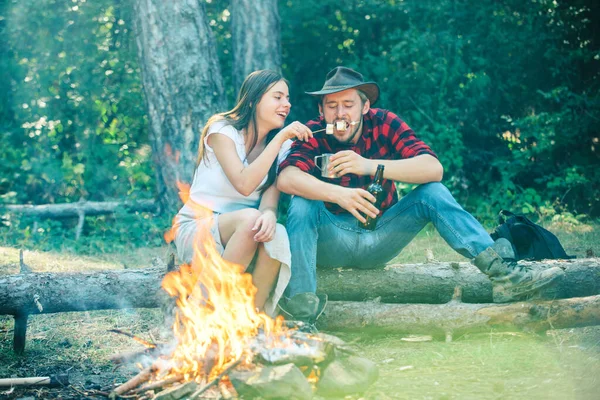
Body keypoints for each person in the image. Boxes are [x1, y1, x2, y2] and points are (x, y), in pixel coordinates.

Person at [276, 66, 564, 323]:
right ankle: (302, 315)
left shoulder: (385, 122)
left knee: (433, 192)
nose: (340, 114)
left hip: (381, 236)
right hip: (332, 239)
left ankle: (504, 276)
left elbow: (433, 168)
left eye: (348, 104)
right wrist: (338, 194)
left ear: (364, 107)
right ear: (322, 111)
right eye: (332, 106)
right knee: (302, 203)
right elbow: (287, 178)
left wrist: (370, 166)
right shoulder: (312, 132)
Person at [171, 70, 313, 317]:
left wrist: (269, 215)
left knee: (276, 233)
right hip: (198, 228)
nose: (287, 104)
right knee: (250, 220)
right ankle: (205, 311)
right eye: (277, 97)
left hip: (245, 232)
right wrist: (280, 138)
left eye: (287, 98)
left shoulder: (280, 148)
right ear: (253, 100)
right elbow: (244, 183)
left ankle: (250, 321)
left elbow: (270, 201)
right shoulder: (222, 131)